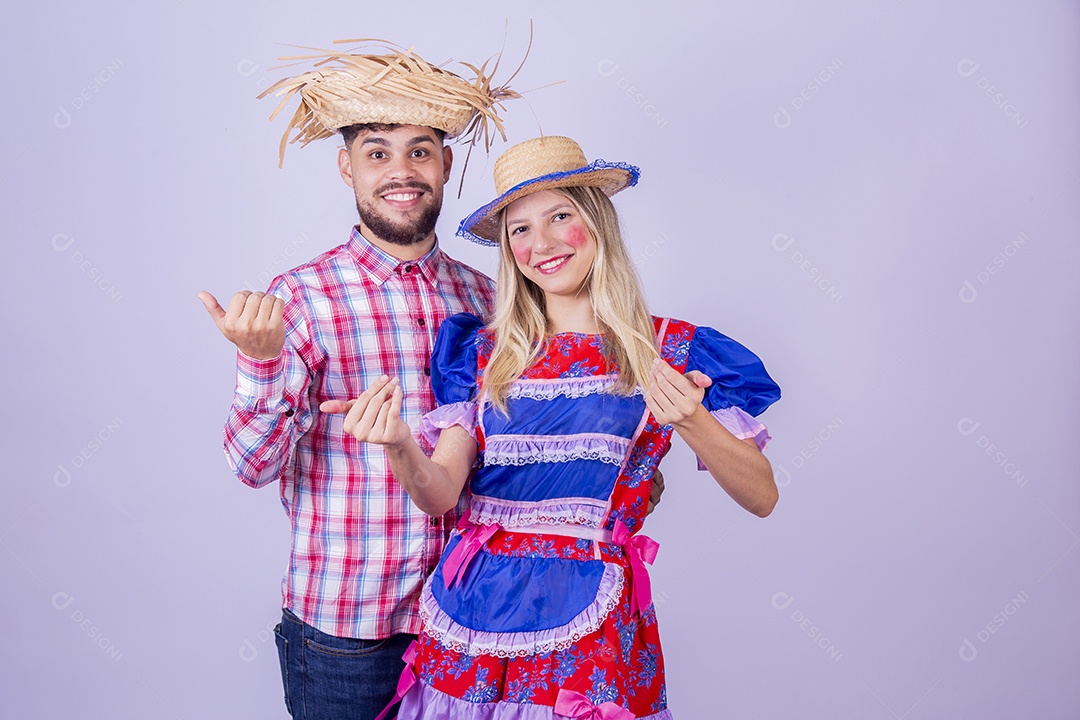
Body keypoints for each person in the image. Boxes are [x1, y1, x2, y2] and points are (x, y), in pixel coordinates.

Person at [325, 135, 781, 719]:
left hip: (588, 630)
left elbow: (762, 496)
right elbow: (439, 493)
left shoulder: (672, 350)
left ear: (596, 223)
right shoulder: (484, 354)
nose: (539, 243)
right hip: (469, 619)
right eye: (519, 229)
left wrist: (692, 420)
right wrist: (398, 444)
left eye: (558, 217)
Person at [196, 42, 523, 719]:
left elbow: (511, 456)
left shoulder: (489, 300)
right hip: (348, 632)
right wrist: (260, 363)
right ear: (346, 167)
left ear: (445, 163)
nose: (401, 172)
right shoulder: (303, 299)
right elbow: (252, 467)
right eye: (377, 153)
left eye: (419, 151)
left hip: (468, 616)